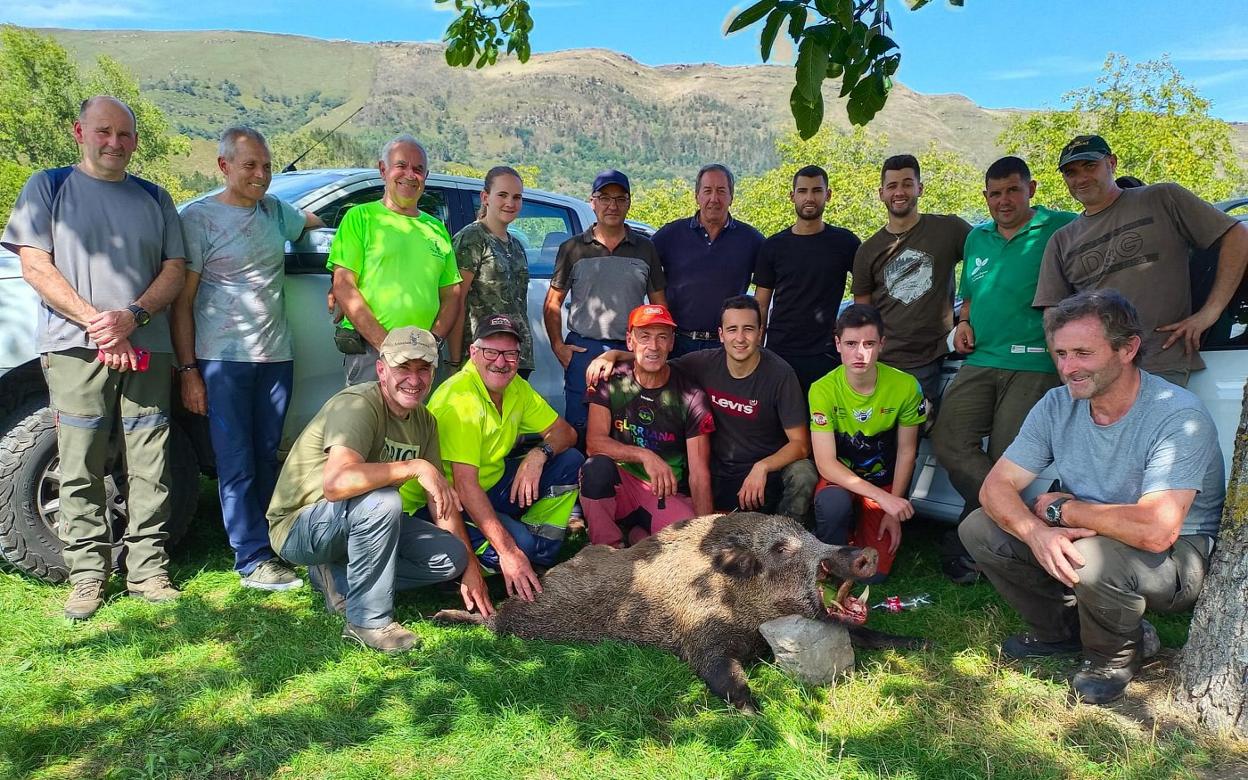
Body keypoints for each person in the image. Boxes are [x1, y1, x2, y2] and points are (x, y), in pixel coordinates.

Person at [962, 290, 1224, 704]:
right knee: (979, 528)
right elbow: (995, 487)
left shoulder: (1176, 414)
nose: (1068, 368)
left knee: (1093, 557)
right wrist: (1036, 532)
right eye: (1061, 353)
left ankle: (1114, 655)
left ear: (1127, 348)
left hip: (1179, 555)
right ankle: (1063, 632)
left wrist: (1063, 509)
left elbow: (1156, 530)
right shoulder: (1056, 404)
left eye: (1083, 353)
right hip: (1093, 533)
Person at [2, 96, 187, 620]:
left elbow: (174, 269)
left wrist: (133, 316)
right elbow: (35, 265)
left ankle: (148, 570)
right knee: (78, 459)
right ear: (78, 131)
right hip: (75, 347)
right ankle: (87, 575)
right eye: (104, 132)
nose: (116, 143)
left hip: (146, 346)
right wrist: (98, 322)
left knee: (150, 460)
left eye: (125, 134)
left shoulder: (154, 196)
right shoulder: (49, 186)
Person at [266, 327, 491, 653]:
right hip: (301, 525)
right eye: (403, 368)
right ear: (381, 369)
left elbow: (440, 503)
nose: (414, 380)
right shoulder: (358, 405)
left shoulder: (425, 422)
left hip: (356, 521)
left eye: (423, 369)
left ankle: (338, 577)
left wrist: (471, 570)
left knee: (449, 557)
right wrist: (413, 466)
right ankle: (367, 623)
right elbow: (336, 484)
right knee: (384, 500)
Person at [172, 126, 322, 592]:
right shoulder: (199, 219)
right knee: (235, 460)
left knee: (265, 454)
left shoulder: (275, 212)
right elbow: (183, 301)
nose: (261, 175)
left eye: (267, 166)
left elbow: (313, 222)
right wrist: (189, 370)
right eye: (250, 165)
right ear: (224, 167)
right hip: (223, 359)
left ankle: (272, 543)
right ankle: (251, 558)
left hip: (276, 357)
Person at [930, 156, 1077, 583]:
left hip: (1035, 362)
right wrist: (962, 322)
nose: (1004, 200)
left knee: (1007, 457)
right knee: (949, 439)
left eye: (1012, 190)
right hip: (981, 359)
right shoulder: (977, 239)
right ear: (985, 197)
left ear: (1031, 188)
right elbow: (970, 298)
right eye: (995, 193)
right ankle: (1000, 524)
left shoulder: (1062, 226)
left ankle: (976, 546)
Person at [1034, 134, 1248, 387]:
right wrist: (1066, 369)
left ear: (1111, 163)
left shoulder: (1163, 198)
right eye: (1071, 172)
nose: (1080, 178)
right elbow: (1053, 313)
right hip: (1097, 375)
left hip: (1161, 365)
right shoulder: (1061, 240)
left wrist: (1210, 312)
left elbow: (1237, 235)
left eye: (1090, 166)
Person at [586, 295, 816, 520]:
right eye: (732, 329)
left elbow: (801, 444)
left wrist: (762, 467)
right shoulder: (703, 363)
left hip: (764, 473)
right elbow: (655, 359)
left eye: (748, 329)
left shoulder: (780, 375)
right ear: (721, 334)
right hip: (719, 469)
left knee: (803, 472)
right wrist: (612, 355)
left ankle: (789, 536)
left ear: (760, 334)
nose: (740, 338)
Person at [425, 314, 583, 601]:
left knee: (569, 460)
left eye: (510, 354)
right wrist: (509, 551)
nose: (501, 362)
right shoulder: (459, 400)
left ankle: (537, 556)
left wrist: (539, 453)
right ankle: (464, 569)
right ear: (473, 353)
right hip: (444, 504)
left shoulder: (516, 387)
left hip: (490, 484)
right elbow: (464, 486)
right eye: (491, 352)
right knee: (516, 546)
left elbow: (566, 433)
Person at [328, 134, 462, 385]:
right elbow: (344, 286)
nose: (410, 175)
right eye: (401, 165)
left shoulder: (436, 229)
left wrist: (433, 341)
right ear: (383, 170)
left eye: (418, 169)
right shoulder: (360, 218)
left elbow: (452, 294)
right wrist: (387, 348)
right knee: (369, 422)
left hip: (422, 357)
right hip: (372, 353)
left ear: (426, 176)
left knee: (416, 424)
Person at [543, 169, 667, 438]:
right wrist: (558, 346)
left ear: (629, 203)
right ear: (593, 202)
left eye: (620, 199)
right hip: (584, 349)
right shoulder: (572, 248)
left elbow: (659, 307)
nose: (612, 205)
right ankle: (580, 479)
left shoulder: (645, 249)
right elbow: (553, 302)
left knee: (630, 429)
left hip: (629, 351)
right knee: (581, 428)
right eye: (605, 198)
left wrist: (652, 348)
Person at [580, 304, 715, 548]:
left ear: (672, 342)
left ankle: (637, 535)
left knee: (686, 546)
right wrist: (644, 455)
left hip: (664, 491)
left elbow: (699, 473)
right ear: (629, 341)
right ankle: (606, 554)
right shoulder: (610, 380)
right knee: (595, 468)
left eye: (662, 337)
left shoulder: (691, 395)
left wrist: (705, 537)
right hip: (621, 484)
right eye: (645, 336)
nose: (653, 346)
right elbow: (594, 443)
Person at [809, 304, 926, 581]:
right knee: (833, 503)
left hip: (883, 480)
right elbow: (826, 463)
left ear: (882, 345)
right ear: (838, 344)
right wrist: (884, 500)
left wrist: (893, 508)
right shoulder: (821, 389)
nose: (860, 353)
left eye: (869, 343)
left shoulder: (907, 386)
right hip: (841, 478)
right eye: (850, 343)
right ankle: (831, 552)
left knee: (874, 576)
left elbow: (908, 451)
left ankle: (859, 534)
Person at [852, 154, 971, 408]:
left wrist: (968, 316)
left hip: (928, 357)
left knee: (914, 434)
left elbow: (985, 263)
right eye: (892, 186)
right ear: (881, 193)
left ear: (920, 188)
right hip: (881, 361)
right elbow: (862, 314)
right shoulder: (868, 250)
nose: (900, 192)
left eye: (907, 184)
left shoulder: (949, 230)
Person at [754, 164, 861, 394]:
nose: (809, 197)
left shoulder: (846, 243)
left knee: (823, 424)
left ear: (828, 195)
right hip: (779, 352)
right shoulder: (773, 246)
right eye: (802, 191)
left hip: (826, 354)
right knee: (778, 425)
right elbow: (761, 304)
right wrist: (755, 351)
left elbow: (863, 297)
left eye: (816, 190)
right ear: (792, 196)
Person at [652, 164, 764, 357]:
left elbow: (767, 289)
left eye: (721, 191)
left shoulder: (752, 240)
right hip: (677, 344)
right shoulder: (670, 235)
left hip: (726, 347)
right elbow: (643, 270)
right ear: (697, 196)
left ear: (731, 196)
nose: (714, 198)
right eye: (707, 191)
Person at [448, 166, 535, 377]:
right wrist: (453, 361)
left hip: (515, 357)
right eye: (502, 195)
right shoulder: (472, 239)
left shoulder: (516, 246)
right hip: (482, 358)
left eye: (517, 197)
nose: (510, 203)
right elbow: (455, 301)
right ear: (485, 197)